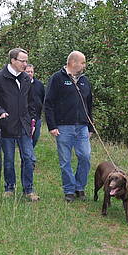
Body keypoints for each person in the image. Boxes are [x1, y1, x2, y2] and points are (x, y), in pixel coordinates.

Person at [0, 48, 40, 202]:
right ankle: (9, 187)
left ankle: (28, 190)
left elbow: (31, 103)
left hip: (24, 125)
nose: (25, 64)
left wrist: (32, 121)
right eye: (23, 61)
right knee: (8, 159)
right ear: (13, 60)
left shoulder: (26, 79)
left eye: (27, 61)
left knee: (28, 158)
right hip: (6, 125)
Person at [44, 51, 94, 203]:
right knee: (65, 160)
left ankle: (80, 187)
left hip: (82, 127)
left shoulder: (85, 81)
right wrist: (52, 125)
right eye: (83, 63)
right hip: (63, 126)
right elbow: (48, 103)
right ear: (73, 62)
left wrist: (90, 126)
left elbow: (89, 105)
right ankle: (69, 190)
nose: (84, 66)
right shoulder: (57, 78)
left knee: (85, 156)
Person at [25, 64, 45, 148]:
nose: (29, 73)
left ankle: (30, 152)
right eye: (27, 72)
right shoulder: (21, 84)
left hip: (37, 116)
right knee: (26, 138)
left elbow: (43, 97)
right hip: (25, 116)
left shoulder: (39, 84)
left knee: (35, 137)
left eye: (31, 72)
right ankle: (28, 157)